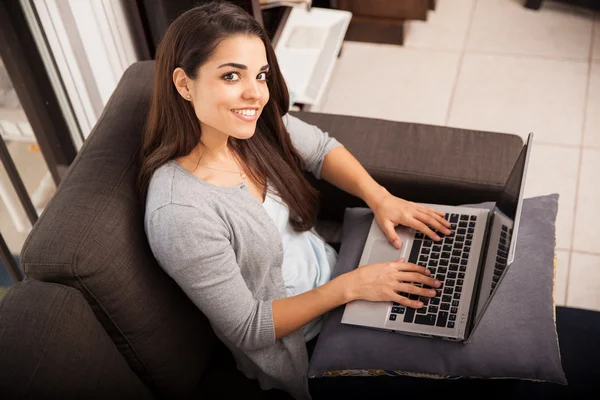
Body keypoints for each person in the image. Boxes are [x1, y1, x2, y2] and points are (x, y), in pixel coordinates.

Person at [138, 1, 450, 399]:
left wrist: (381, 197)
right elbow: (248, 327)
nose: (255, 94)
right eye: (231, 76)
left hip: (342, 277)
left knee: (461, 310)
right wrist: (352, 288)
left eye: (261, 75)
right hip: (310, 341)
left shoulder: (249, 126)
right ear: (184, 84)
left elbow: (320, 150)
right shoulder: (179, 213)